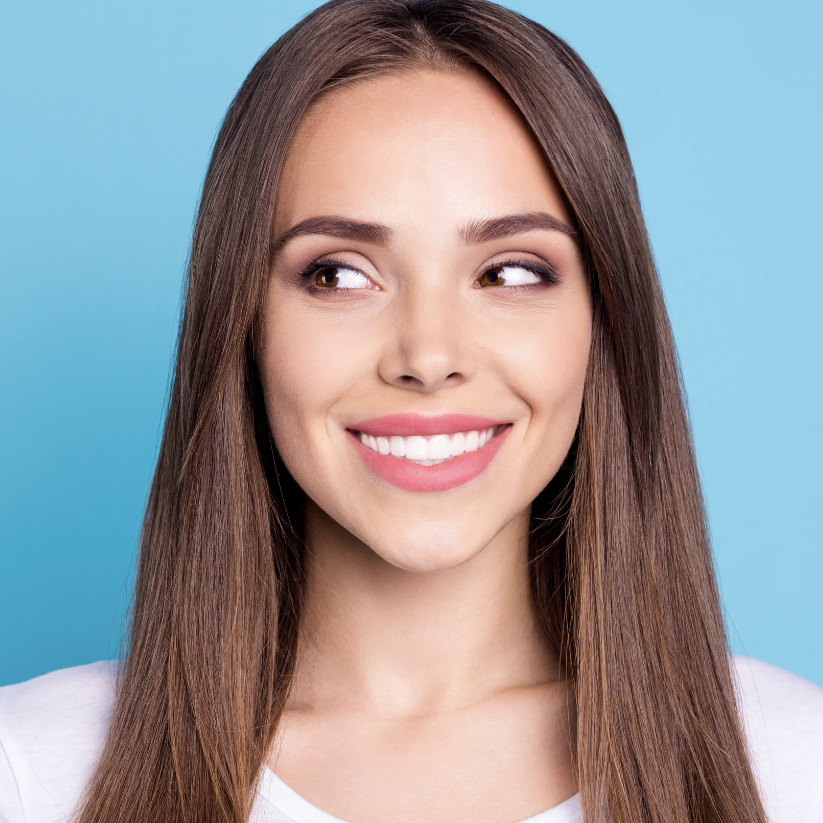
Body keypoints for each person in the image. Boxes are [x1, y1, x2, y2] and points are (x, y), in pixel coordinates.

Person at [1, 1, 822, 821]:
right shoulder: (29, 771)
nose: (428, 358)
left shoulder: (796, 767)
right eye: (339, 274)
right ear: (243, 323)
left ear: (603, 322)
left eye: (507, 273)